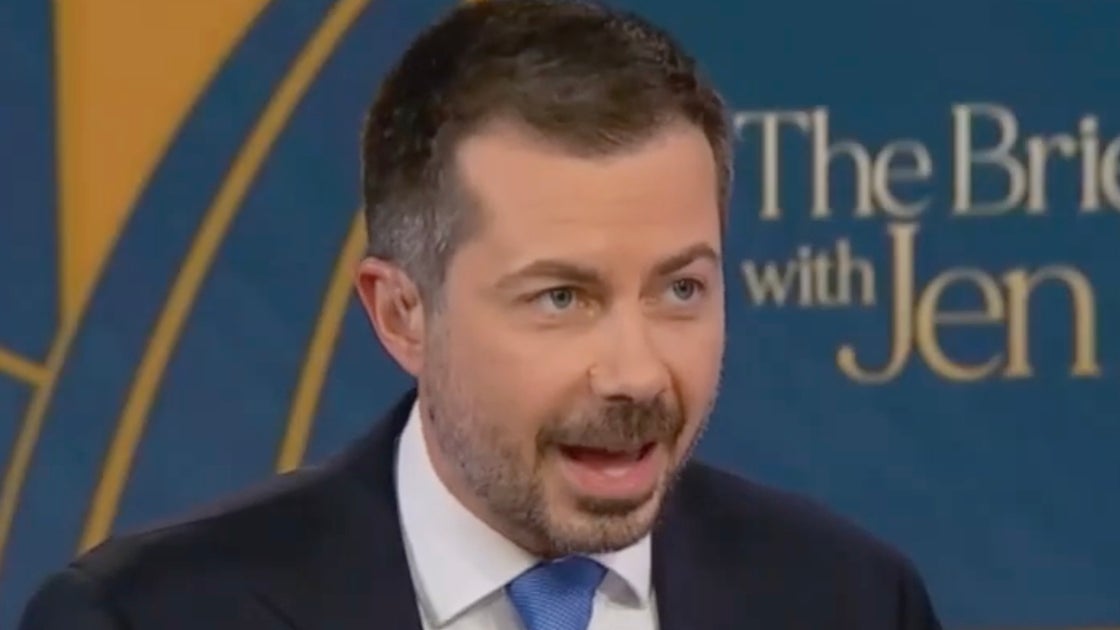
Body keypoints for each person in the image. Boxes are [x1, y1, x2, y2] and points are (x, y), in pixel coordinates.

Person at [19, 1, 942, 628]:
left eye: (680, 291)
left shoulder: (851, 601)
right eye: (561, 298)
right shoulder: (148, 617)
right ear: (401, 314)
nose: (635, 373)